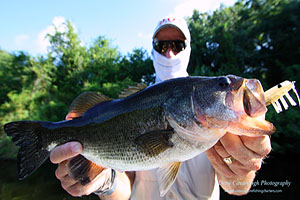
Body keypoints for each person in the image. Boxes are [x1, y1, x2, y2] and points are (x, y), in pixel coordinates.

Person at [50, 16, 271, 199]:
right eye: (162, 45)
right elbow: (125, 190)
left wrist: (241, 171)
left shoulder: (219, 125)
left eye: (177, 45)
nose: (169, 53)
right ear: (153, 50)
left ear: (188, 48)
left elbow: (237, 188)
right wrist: (105, 182)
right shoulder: (138, 101)